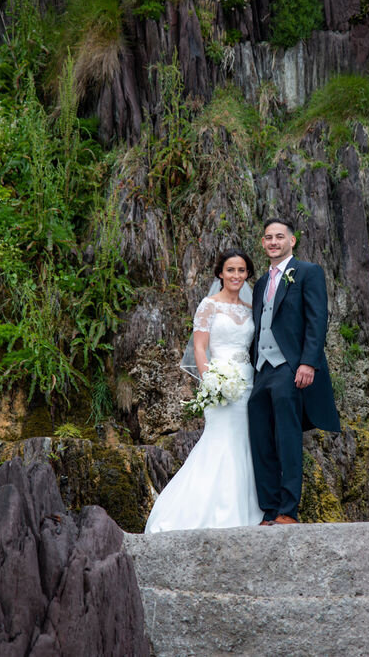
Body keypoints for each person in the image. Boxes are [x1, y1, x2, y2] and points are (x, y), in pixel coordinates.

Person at [144, 249, 265, 533]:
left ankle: (246, 508)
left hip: (248, 383)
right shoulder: (208, 305)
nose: (236, 275)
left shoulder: (251, 311)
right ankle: (201, 510)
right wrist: (209, 381)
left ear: (247, 274)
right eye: (230, 270)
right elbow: (199, 347)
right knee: (219, 442)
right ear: (220, 273)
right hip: (219, 383)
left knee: (246, 443)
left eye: (241, 270)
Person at [249, 218, 341, 525]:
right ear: (263, 244)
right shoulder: (261, 283)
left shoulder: (308, 272)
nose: (273, 242)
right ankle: (269, 509)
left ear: (292, 241)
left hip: (289, 367)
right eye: (268, 238)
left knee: (287, 439)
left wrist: (307, 362)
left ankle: (288, 510)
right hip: (261, 369)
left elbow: (317, 320)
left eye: (279, 237)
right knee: (261, 439)